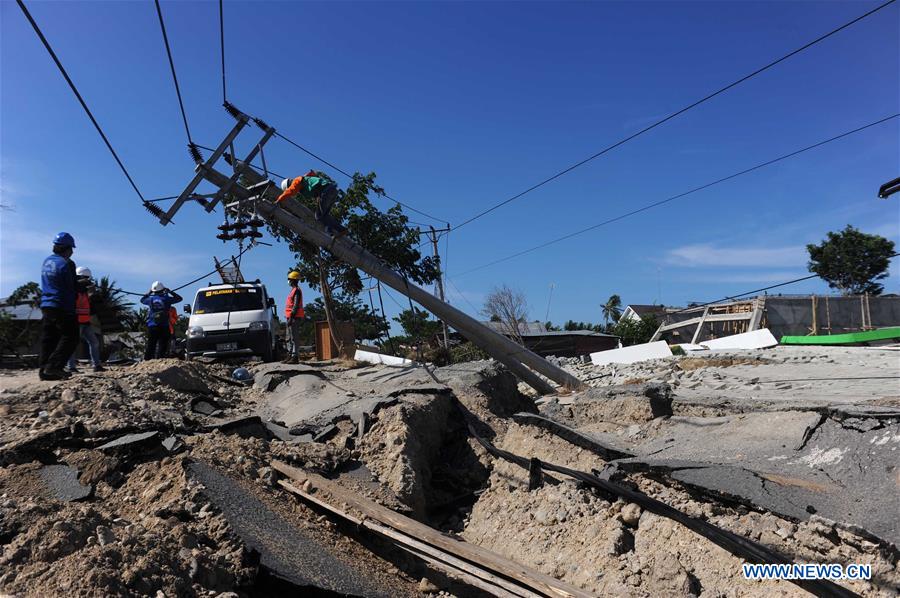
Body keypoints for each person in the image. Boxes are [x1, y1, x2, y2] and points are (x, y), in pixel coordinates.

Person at [39, 232, 79, 380]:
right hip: (62, 305)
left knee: (50, 339)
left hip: (47, 304)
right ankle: (54, 367)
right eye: (71, 249)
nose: (72, 252)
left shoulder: (47, 261)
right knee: (71, 336)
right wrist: (83, 286)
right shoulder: (67, 263)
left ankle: (44, 371)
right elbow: (71, 286)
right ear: (67, 248)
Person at [277, 170, 345, 235]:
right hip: (332, 190)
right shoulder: (304, 183)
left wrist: (279, 200)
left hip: (326, 191)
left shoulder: (297, 181)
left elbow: (291, 190)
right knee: (324, 215)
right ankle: (339, 230)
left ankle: (332, 233)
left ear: (289, 184)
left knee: (319, 216)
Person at [66, 267, 105, 373]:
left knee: (94, 342)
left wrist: (92, 291)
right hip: (76, 322)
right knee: (72, 344)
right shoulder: (73, 290)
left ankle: (96, 365)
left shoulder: (85, 291)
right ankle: (71, 367)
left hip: (85, 322)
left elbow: (92, 303)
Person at [140, 282, 182, 360]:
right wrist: (170, 291)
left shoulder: (150, 299)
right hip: (164, 326)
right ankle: (160, 360)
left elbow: (142, 300)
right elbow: (179, 298)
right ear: (163, 289)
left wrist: (149, 293)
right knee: (163, 345)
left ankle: (147, 361)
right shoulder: (167, 298)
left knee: (151, 345)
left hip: (152, 326)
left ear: (153, 291)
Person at [282, 271, 305, 364]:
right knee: (289, 337)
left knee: (294, 338)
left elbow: (295, 306)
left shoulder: (297, 291)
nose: (288, 281)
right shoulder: (293, 290)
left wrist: (291, 317)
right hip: (290, 317)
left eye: (289, 280)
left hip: (294, 317)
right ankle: (290, 355)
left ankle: (295, 357)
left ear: (293, 280)